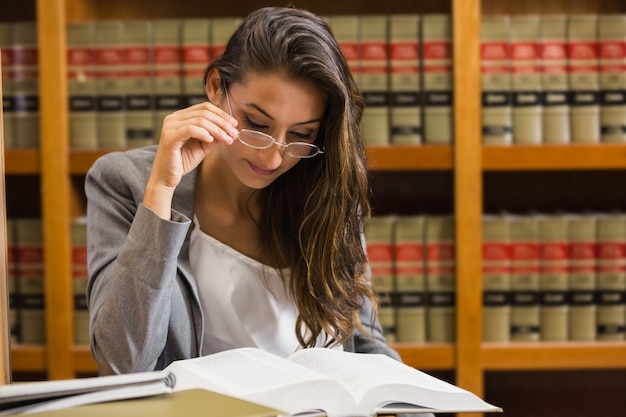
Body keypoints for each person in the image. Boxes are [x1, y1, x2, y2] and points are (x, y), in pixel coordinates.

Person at [86, 6, 400, 376]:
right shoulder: (125, 182)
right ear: (216, 87)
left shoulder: (326, 194)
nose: (273, 155)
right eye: (256, 123)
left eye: (301, 135)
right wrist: (161, 191)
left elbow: (363, 342)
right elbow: (122, 362)